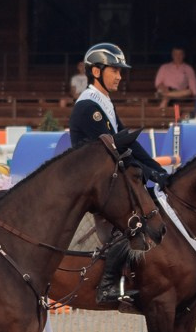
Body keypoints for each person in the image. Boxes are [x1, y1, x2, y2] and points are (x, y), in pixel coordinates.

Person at [70, 42, 170, 305]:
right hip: (93, 181)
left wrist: (158, 171)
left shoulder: (105, 103)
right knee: (126, 223)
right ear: (96, 72)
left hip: (109, 178)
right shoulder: (88, 107)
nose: (119, 76)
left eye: (120, 71)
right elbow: (113, 151)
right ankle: (107, 285)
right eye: (115, 70)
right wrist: (147, 171)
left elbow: (129, 144)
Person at [153, 48, 196, 114]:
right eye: (175, 54)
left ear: (183, 55)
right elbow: (158, 83)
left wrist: (193, 94)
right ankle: (161, 115)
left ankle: (168, 96)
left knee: (188, 91)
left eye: (180, 54)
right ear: (172, 55)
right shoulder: (164, 67)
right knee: (165, 96)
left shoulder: (188, 68)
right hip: (166, 91)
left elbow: (194, 90)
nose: (178, 56)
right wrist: (165, 89)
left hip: (180, 94)